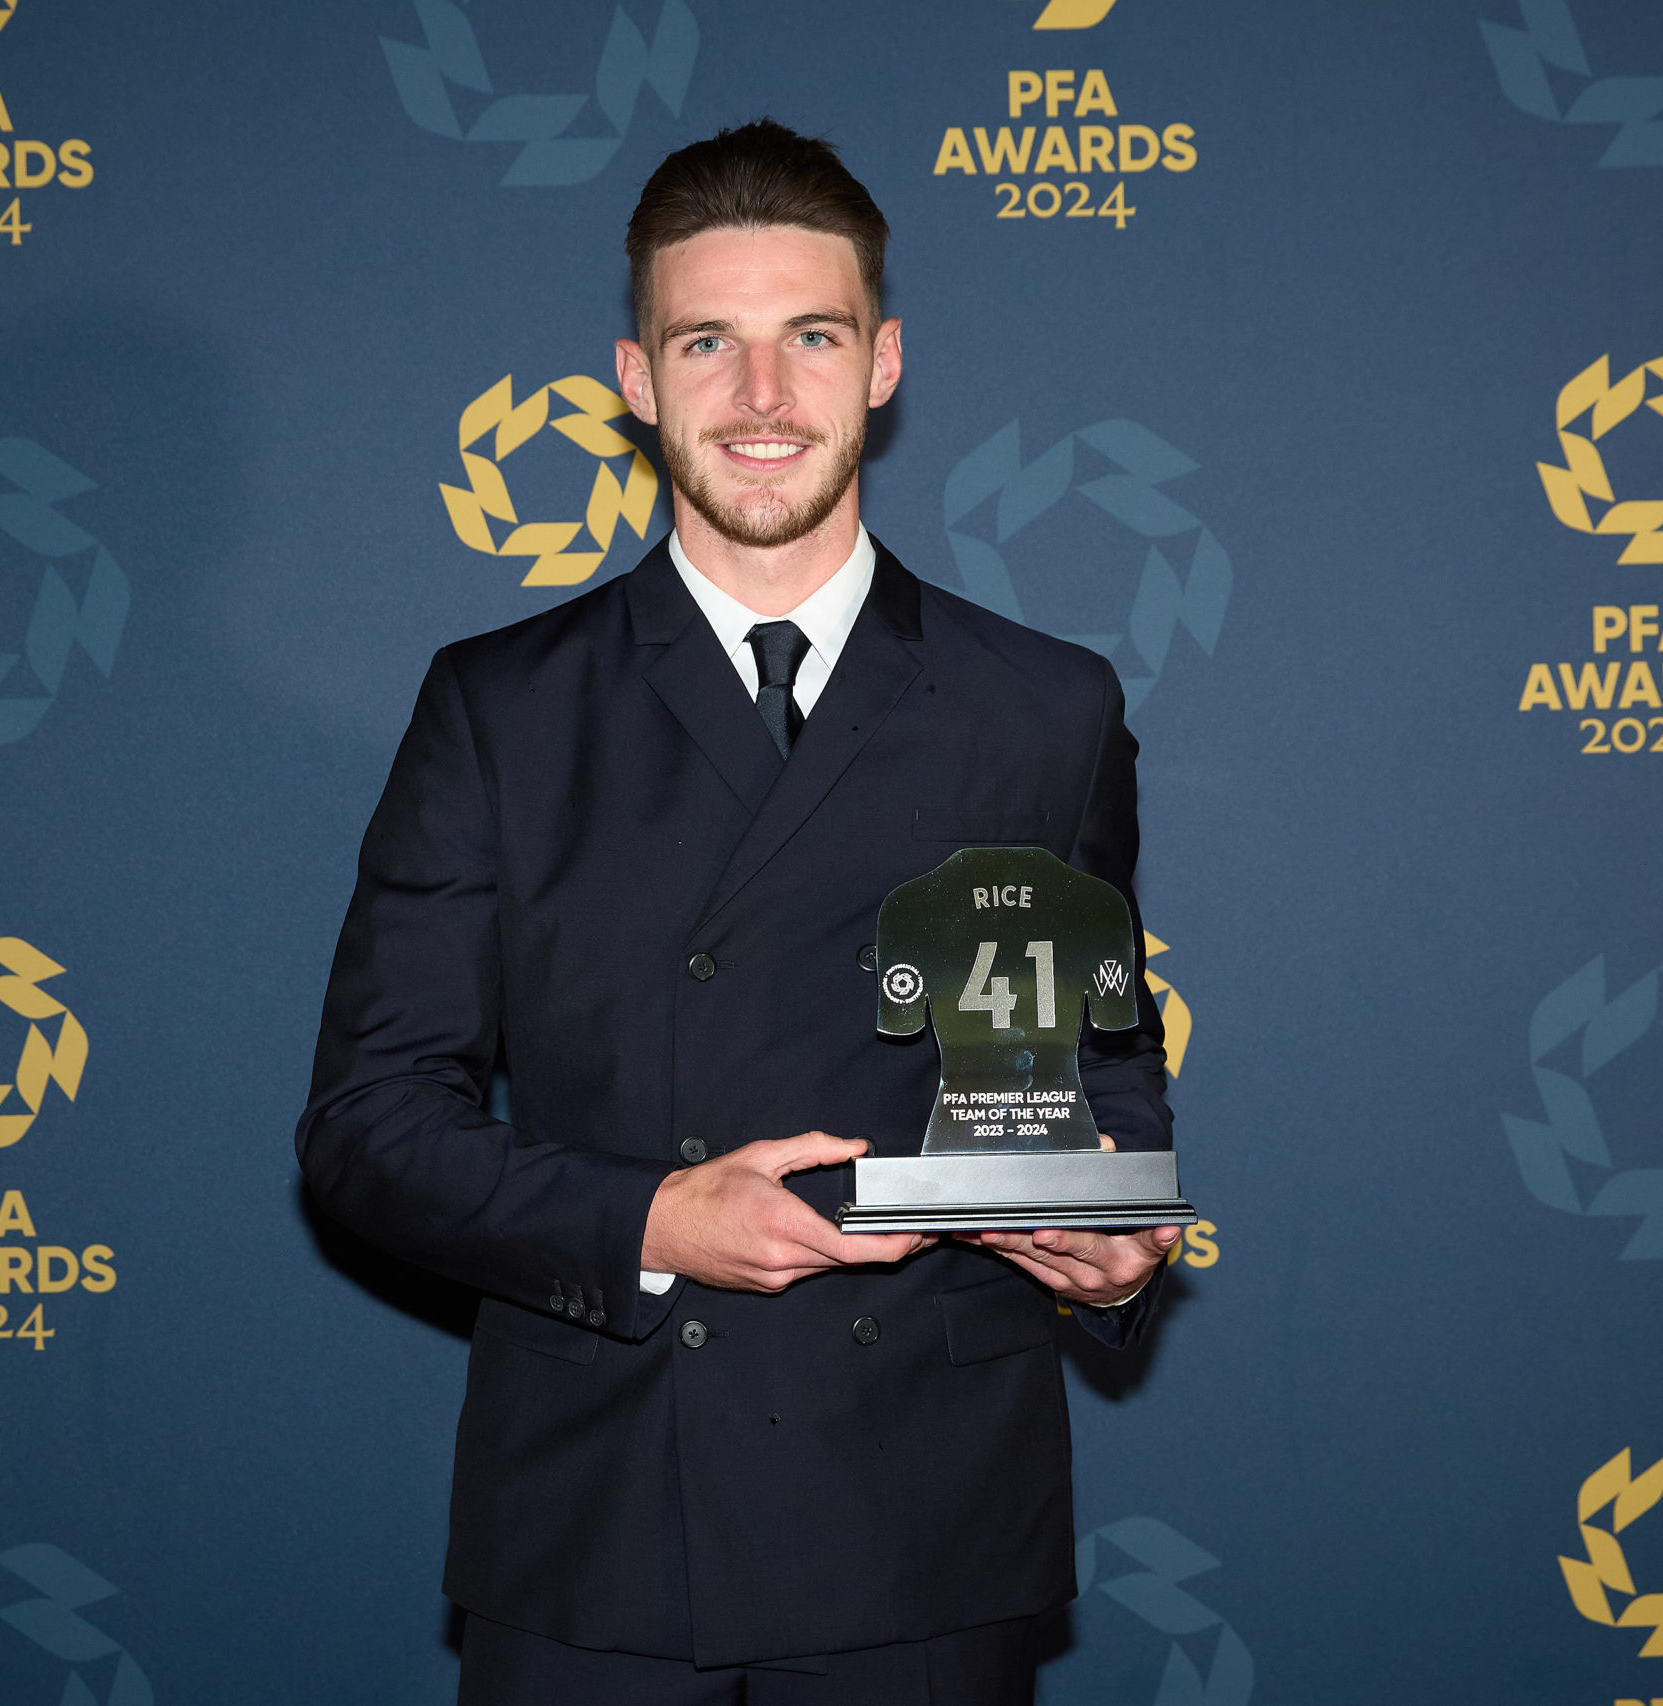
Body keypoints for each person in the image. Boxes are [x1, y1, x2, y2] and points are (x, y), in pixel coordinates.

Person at [297, 119, 1179, 1705]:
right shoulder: (500, 709)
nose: (762, 400)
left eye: (810, 340)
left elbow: (1097, 1072)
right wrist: (649, 1220)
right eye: (710, 342)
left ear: (883, 364)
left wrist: (1116, 1237)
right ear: (637, 377)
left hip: (926, 1529)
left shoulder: (1042, 707)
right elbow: (368, 1126)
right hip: (604, 1524)